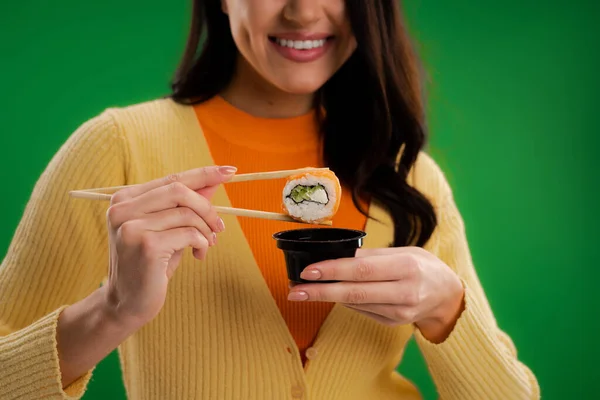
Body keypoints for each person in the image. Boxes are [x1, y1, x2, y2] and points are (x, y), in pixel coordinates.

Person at [0, 0, 540, 399]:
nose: (303, 12)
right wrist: (112, 310)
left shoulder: (411, 176)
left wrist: (447, 308)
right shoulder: (121, 148)